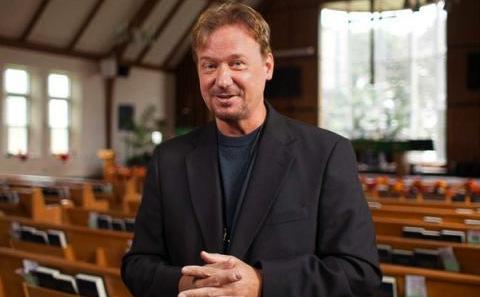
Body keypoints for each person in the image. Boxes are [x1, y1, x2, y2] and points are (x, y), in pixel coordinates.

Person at [121, 2, 381, 297]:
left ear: (267, 66)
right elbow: (138, 266)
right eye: (209, 65)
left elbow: (360, 274)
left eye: (237, 63)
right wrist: (192, 284)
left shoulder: (326, 153)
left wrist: (261, 283)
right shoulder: (168, 159)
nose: (222, 80)